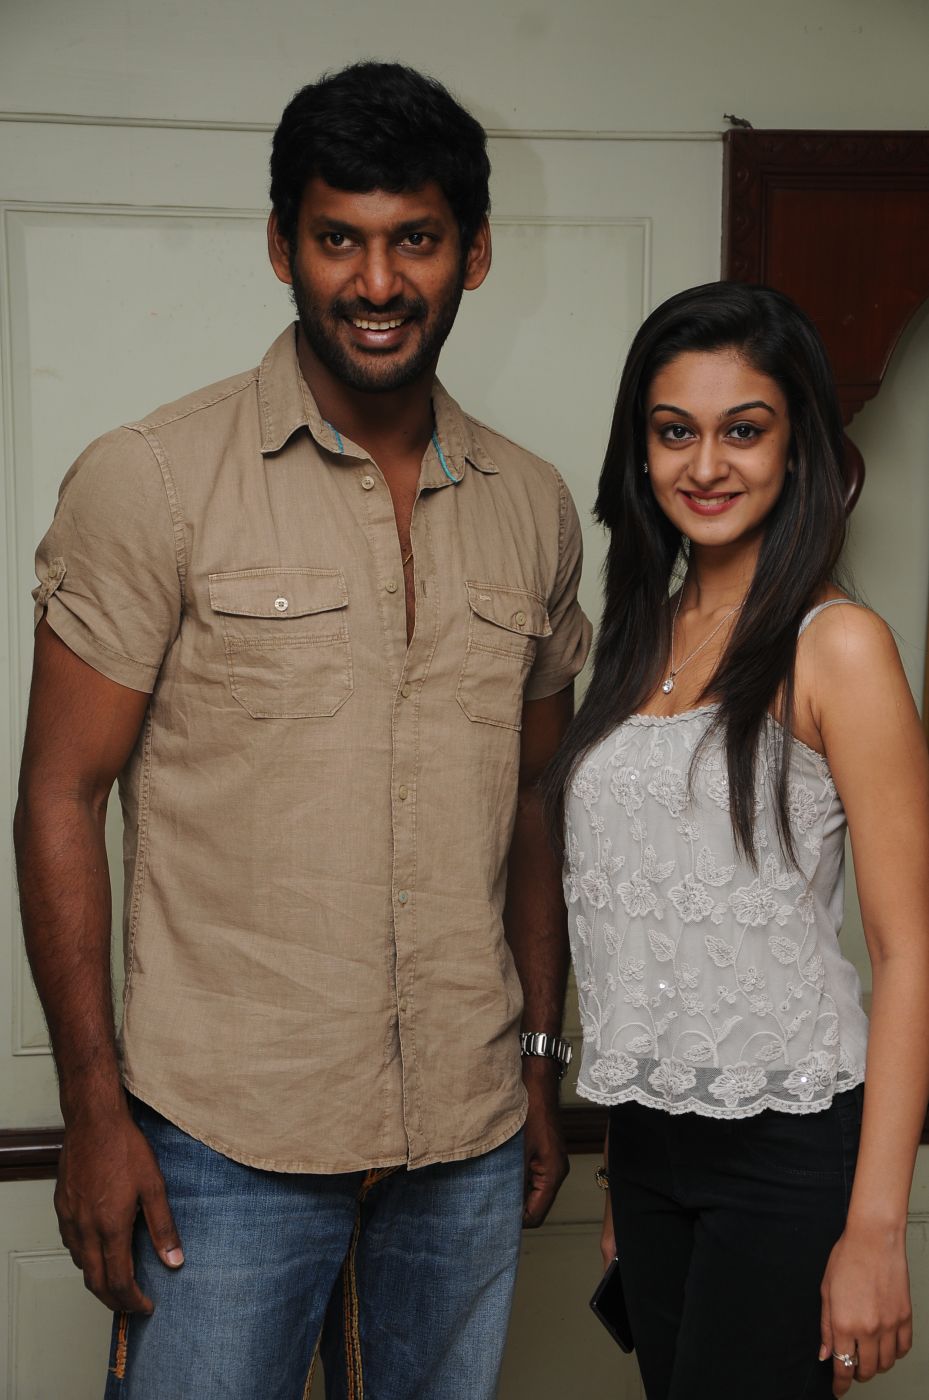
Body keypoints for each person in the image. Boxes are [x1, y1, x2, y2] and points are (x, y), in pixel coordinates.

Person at [14, 62, 591, 1400]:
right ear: (283, 245)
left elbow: (534, 799)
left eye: (415, 239)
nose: (376, 281)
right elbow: (59, 795)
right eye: (339, 238)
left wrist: (536, 1065)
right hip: (219, 1140)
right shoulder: (152, 479)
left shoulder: (533, 506)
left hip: (464, 1134)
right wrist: (92, 1111)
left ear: (473, 254)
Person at [546, 281, 929, 1399]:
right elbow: (639, 929)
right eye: (674, 431)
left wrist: (876, 1228)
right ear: (641, 450)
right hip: (647, 1148)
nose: (704, 464)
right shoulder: (637, 639)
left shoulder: (837, 645)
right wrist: (624, 1172)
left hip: (789, 1146)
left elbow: (908, 952)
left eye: (741, 430)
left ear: (795, 445)